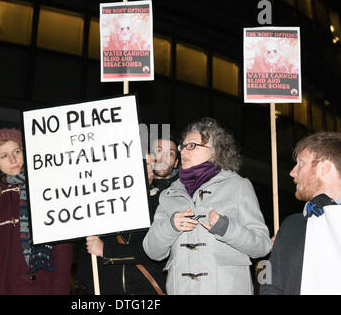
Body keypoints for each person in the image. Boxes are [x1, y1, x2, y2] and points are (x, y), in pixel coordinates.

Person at [143, 117, 271, 295]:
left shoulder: (237, 186)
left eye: (192, 145)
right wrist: (170, 226)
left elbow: (262, 246)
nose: (184, 151)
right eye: (183, 146)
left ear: (215, 151)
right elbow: (152, 251)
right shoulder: (169, 194)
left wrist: (226, 229)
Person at [0, 128, 73, 294]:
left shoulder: (45, 191)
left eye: (16, 151)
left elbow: (62, 249)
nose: (13, 159)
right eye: (4, 156)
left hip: (33, 286)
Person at [260, 132, 341, 295]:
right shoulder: (291, 225)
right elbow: (268, 281)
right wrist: (268, 259)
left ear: (324, 168)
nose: (293, 172)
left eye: (301, 164)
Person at [76, 158, 166, 295]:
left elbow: (155, 252)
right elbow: (87, 257)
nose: (149, 171)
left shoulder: (162, 204)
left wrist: (107, 251)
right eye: (144, 164)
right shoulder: (102, 206)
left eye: (150, 166)